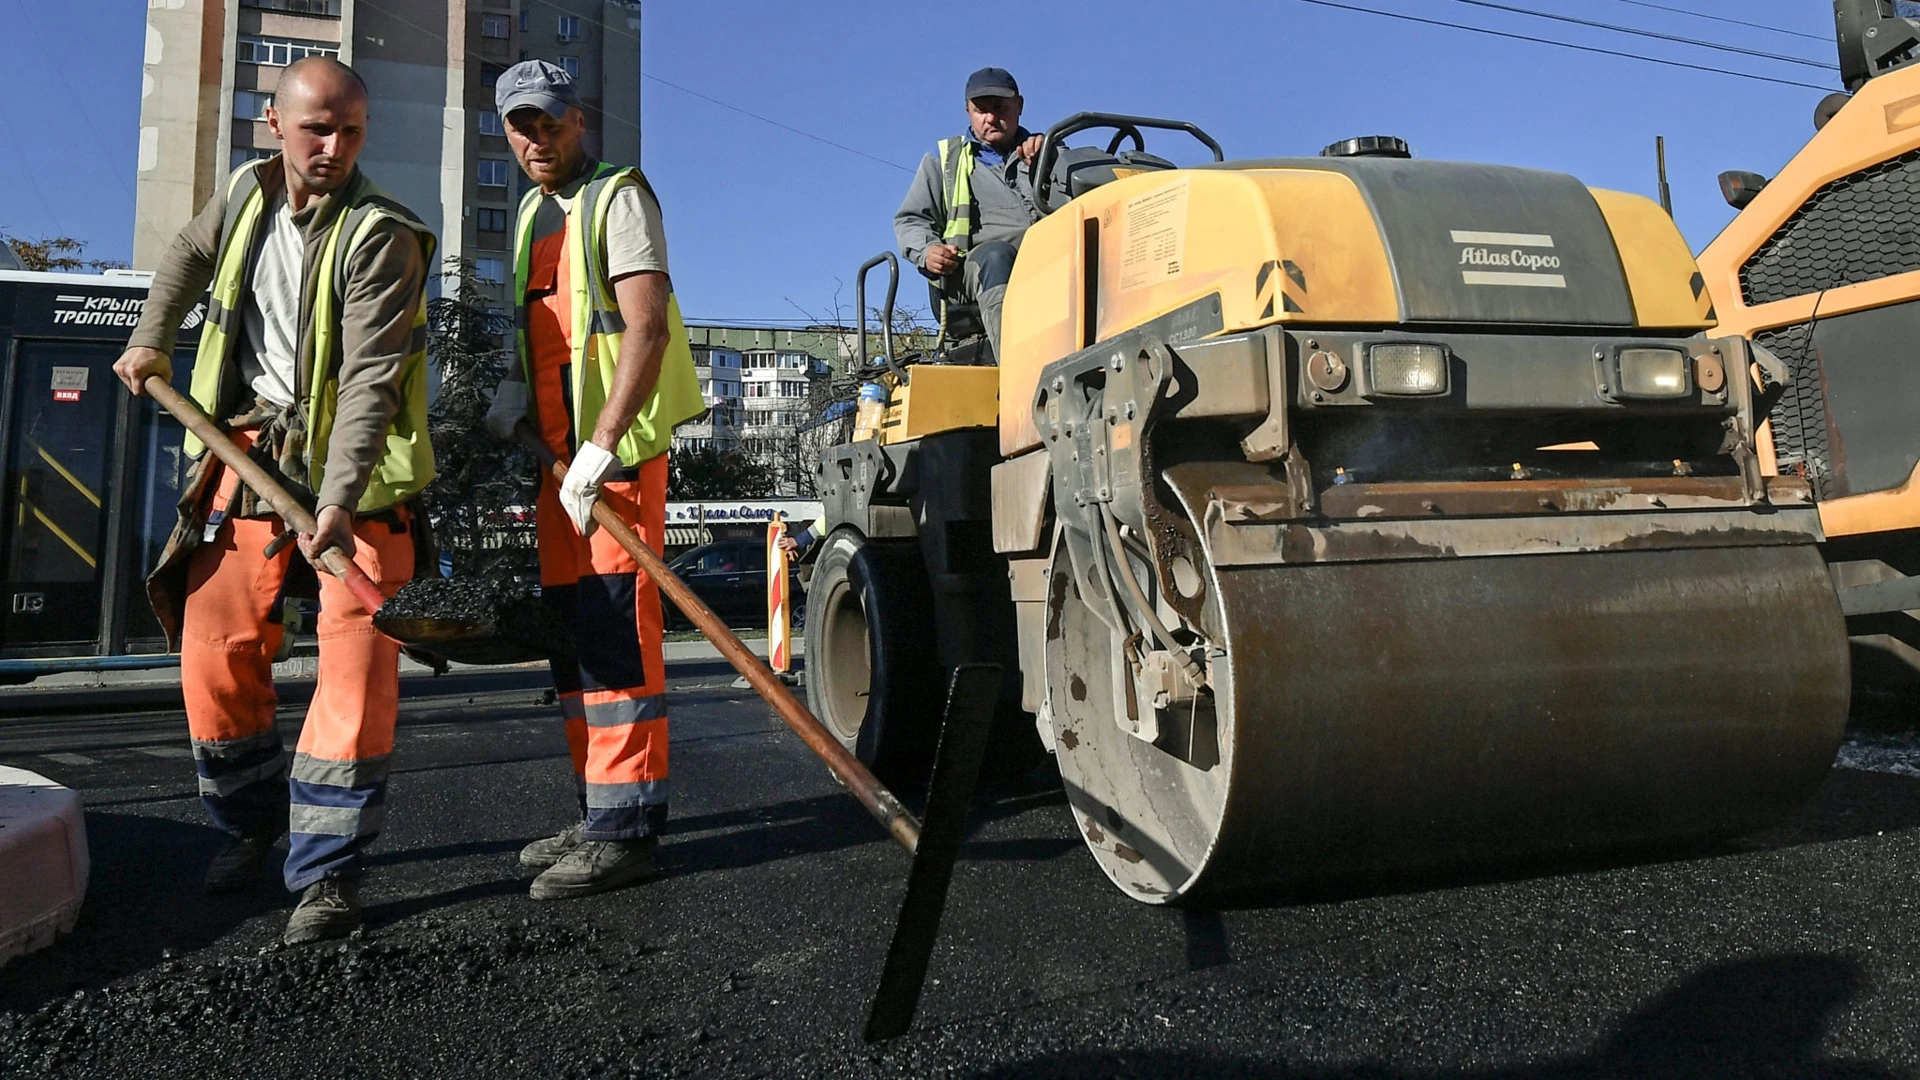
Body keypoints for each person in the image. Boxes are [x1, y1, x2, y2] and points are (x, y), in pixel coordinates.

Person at [112, 57, 436, 944]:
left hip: (357, 479)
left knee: (355, 669)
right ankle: (250, 823)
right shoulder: (244, 195)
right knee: (214, 651)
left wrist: (337, 502)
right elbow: (183, 254)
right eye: (316, 128)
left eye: (352, 133)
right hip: (247, 454)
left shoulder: (384, 234)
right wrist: (149, 341)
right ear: (274, 122)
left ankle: (330, 873)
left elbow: (371, 380)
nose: (333, 148)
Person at [481, 59, 705, 900]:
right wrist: (511, 392)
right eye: (519, 125)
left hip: (612, 461)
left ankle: (627, 831)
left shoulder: (619, 198)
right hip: (557, 463)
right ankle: (597, 807)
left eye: (547, 121)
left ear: (580, 120)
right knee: (573, 635)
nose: (535, 139)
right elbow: (531, 328)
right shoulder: (534, 215)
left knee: (616, 635)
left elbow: (643, 329)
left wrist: (603, 445)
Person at [894, 67, 1047, 361]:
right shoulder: (945, 162)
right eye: (980, 110)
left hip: (1047, 264)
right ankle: (1019, 371)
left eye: (999, 108)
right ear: (968, 112)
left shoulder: (1046, 153)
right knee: (996, 256)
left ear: (1020, 106)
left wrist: (1050, 155)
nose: (990, 117)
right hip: (969, 275)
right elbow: (910, 220)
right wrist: (928, 251)